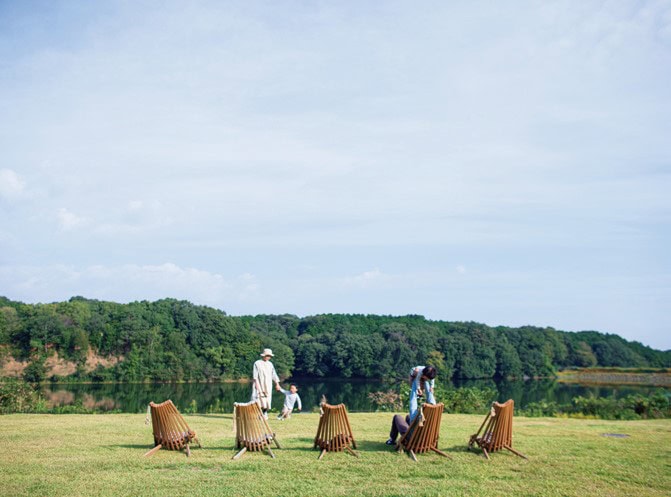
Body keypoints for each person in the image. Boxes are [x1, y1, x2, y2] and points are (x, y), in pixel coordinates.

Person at [386, 365, 437, 445]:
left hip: (413, 438)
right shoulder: (434, 414)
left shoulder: (421, 413)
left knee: (398, 417)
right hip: (426, 440)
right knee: (408, 417)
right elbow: (425, 384)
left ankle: (392, 440)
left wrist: (416, 389)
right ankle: (423, 389)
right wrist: (426, 388)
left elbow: (413, 403)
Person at [251, 348, 280, 419]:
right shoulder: (257, 363)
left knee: (267, 399)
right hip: (259, 384)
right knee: (259, 399)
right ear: (263, 355)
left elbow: (274, 374)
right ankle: (259, 414)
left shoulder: (270, 364)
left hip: (268, 385)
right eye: (267, 355)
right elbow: (255, 376)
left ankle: (265, 413)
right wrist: (258, 387)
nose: (268, 357)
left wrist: (277, 383)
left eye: (269, 356)